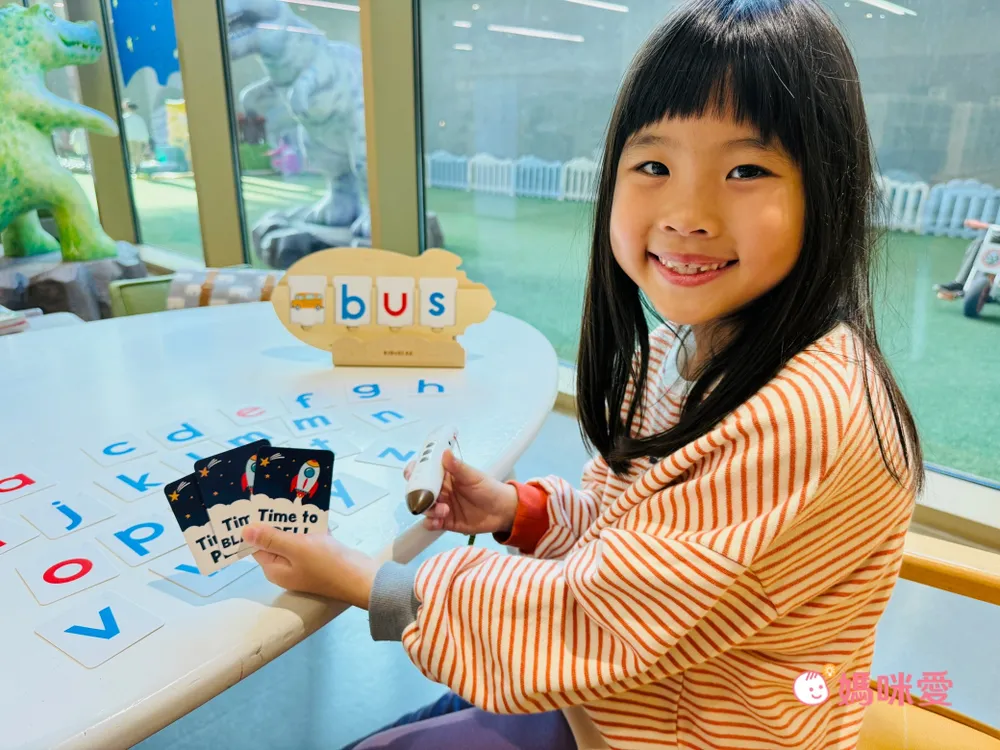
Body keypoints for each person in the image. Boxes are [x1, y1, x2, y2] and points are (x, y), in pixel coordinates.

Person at [240, 0, 924, 747]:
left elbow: (592, 618)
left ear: (828, 189)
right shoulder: (684, 345)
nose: (687, 213)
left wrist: (359, 578)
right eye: (654, 165)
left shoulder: (805, 413)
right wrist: (516, 511)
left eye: (747, 169)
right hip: (613, 698)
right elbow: (626, 527)